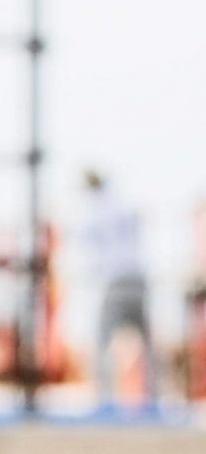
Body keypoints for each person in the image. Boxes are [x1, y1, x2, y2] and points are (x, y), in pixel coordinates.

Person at [82, 167, 154, 408]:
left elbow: (93, 247)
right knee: (147, 342)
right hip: (138, 276)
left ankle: (105, 401)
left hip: (115, 279)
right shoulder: (123, 203)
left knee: (103, 342)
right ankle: (153, 400)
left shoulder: (96, 209)